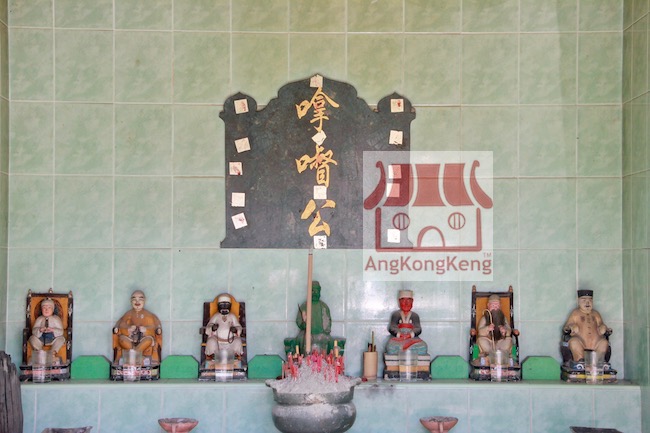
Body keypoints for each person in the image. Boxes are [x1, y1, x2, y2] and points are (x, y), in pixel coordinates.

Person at [563, 289, 611, 364]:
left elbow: (601, 325)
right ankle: (580, 361)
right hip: (580, 342)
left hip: (595, 343)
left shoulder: (596, 314)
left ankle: (598, 362)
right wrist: (571, 327)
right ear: (579, 301)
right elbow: (566, 328)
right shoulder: (575, 313)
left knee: (604, 343)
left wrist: (603, 328)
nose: (587, 303)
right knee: (574, 342)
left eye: (590, 300)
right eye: (584, 300)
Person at [113, 290, 162, 362]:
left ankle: (132, 357)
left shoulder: (148, 315)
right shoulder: (128, 314)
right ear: (131, 301)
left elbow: (153, 327)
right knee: (122, 340)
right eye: (134, 299)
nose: (137, 302)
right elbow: (122, 324)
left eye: (140, 299)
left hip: (144, 338)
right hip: (130, 338)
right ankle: (137, 357)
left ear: (144, 301)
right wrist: (128, 329)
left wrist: (145, 330)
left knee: (148, 340)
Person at [294, 281, 335, 353]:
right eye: (312, 291)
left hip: (321, 333)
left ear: (319, 291)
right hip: (307, 334)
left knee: (330, 341)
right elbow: (299, 321)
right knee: (302, 339)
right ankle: (306, 359)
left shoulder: (324, 306)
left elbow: (328, 321)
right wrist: (303, 324)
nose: (315, 293)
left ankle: (326, 359)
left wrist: (325, 330)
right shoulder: (304, 306)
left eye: (317, 291)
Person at [385, 290, 428, 356]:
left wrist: (410, 335)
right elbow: (392, 327)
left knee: (423, 347)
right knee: (390, 347)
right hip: (399, 339)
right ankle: (406, 349)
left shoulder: (415, 315)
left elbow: (418, 328)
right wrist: (399, 334)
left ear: (412, 302)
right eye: (403, 300)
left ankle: (405, 349)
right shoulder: (396, 315)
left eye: (409, 301)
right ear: (399, 301)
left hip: (412, 339)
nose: (406, 303)